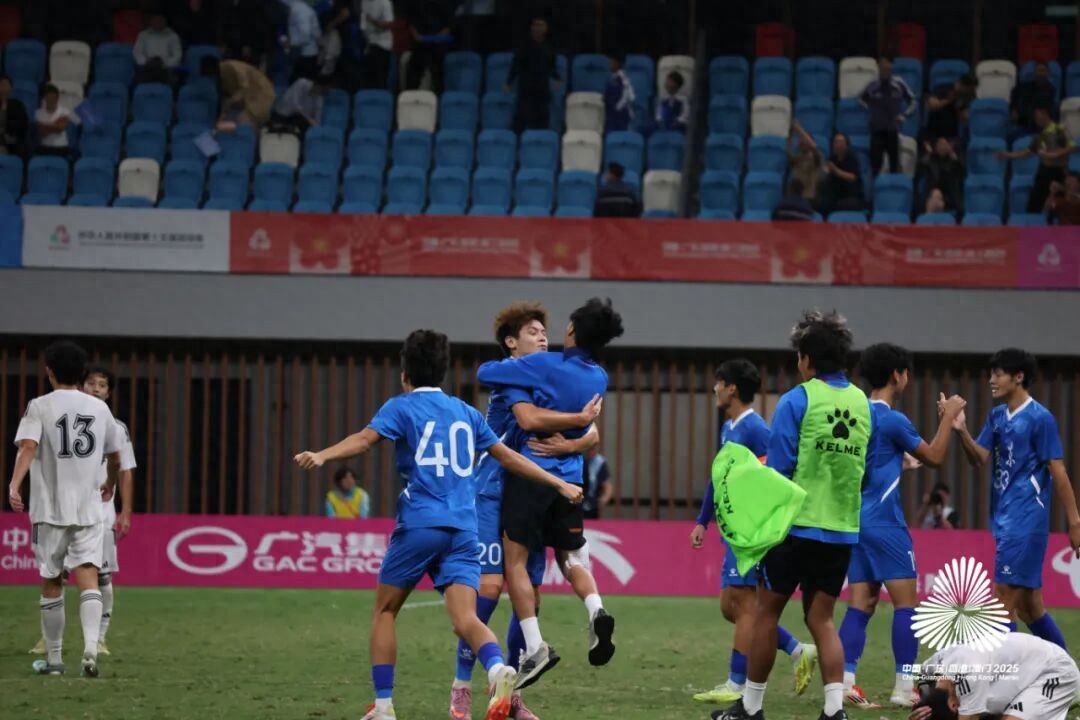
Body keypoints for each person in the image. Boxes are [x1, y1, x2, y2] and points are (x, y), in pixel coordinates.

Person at [294, 329, 584, 720]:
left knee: (385, 612)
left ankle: (383, 707)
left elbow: (364, 440)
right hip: (464, 531)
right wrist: (558, 483)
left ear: (404, 374)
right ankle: (498, 669)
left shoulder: (401, 407)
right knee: (466, 618)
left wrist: (323, 455)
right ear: (444, 372)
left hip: (421, 524)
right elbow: (509, 458)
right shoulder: (466, 412)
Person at [716, 310, 871, 720]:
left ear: (807, 360)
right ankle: (835, 710)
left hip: (795, 528)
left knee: (767, 611)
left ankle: (750, 707)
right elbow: (865, 470)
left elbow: (779, 469)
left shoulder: (797, 399)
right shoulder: (862, 404)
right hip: (841, 530)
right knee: (822, 619)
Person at [450, 301, 599, 720]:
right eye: (532, 331)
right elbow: (530, 421)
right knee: (490, 589)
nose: (542, 336)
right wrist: (578, 421)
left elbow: (593, 433)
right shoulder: (511, 379)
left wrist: (574, 439)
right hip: (489, 492)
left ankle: (510, 695)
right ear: (511, 343)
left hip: (528, 493)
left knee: (530, 597)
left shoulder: (546, 379)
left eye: (543, 330)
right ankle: (461, 686)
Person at [476, 298, 625, 689]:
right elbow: (590, 431)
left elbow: (486, 373)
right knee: (573, 556)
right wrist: (575, 436)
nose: (545, 336)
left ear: (572, 331)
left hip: (532, 477)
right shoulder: (599, 378)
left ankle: (536, 645)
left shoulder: (544, 365)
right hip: (572, 483)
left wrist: (514, 365)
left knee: (516, 563)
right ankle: (596, 611)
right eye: (535, 333)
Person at [838, 344, 965, 710]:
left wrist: (898, 463)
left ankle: (846, 681)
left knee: (860, 603)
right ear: (898, 376)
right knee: (906, 604)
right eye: (906, 373)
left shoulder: (855, 413)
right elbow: (936, 456)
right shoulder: (893, 419)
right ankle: (903, 687)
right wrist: (948, 418)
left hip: (854, 522)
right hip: (885, 523)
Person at [689, 359, 816, 706]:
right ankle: (796, 648)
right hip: (735, 531)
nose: (714, 388)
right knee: (731, 605)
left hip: (751, 532)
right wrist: (703, 520)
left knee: (744, 604)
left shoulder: (756, 429)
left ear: (731, 388)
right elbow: (720, 478)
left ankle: (737, 682)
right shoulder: (730, 428)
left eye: (718, 382)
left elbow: (776, 474)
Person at [8, 341, 126, 679]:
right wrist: (110, 483)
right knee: (88, 573)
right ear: (82, 374)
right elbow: (116, 457)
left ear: (49, 371)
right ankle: (90, 647)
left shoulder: (40, 406)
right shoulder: (100, 410)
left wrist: (15, 484)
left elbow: (28, 447)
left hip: (50, 509)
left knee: (51, 581)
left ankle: (56, 660)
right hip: (89, 508)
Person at [949, 348, 1080, 650]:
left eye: (999, 373)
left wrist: (1074, 521)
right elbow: (978, 458)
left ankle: (1000, 683)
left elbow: (1058, 472)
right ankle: (1066, 676)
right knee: (1031, 607)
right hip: (1005, 520)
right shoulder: (996, 416)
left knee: (1003, 602)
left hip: (1027, 521)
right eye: (991, 373)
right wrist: (961, 431)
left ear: (1019, 377)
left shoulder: (1040, 418)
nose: (992, 379)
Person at [29, 366, 136, 659]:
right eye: (91, 383)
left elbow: (123, 467)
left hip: (98, 509)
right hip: (61, 507)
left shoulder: (112, 424)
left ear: (109, 392)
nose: (96, 388)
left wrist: (125, 509)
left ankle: (98, 639)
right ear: (81, 384)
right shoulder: (56, 414)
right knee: (57, 575)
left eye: (102, 385)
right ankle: (49, 638)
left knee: (100, 575)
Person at [911, 633, 1080, 720]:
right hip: (1022, 670)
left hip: (1054, 670)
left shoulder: (971, 674)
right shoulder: (933, 667)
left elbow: (969, 717)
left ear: (955, 705)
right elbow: (923, 687)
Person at [996, 107, 1075, 213]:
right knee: (1034, 204)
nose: (1036, 120)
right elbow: (1025, 153)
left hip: (1060, 171)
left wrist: (1055, 155)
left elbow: (1071, 147)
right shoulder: (1039, 137)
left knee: (1060, 205)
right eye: (1035, 118)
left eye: (1038, 117)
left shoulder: (1060, 129)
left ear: (1045, 114)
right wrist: (1007, 155)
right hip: (1044, 171)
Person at [859, 57, 916, 176]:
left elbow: (913, 101)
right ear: (879, 69)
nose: (886, 71)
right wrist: (871, 111)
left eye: (888, 68)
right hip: (877, 130)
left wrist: (904, 114)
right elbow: (860, 99)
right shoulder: (872, 85)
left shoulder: (899, 83)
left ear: (891, 68)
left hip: (892, 130)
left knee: (894, 166)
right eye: (883, 68)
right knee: (875, 167)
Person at [506, 17, 560, 134]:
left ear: (546, 28)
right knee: (522, 116)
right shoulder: (524, 45)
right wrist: (509, 81)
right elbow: (516, 64)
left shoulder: (549, 46)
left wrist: (557, 78)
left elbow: (552, 65)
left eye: (541, 25)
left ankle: (540, 143)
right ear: (532, 27)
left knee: (542, 117)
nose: (538, 28)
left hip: (542, 87)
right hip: (526, 87)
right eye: (536, 25)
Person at [405, 0, 453, 94]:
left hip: (437, 45)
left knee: (438, 79)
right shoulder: (414, 3)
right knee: (412, 78)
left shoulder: (443, 4)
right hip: (419, 45)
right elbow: (410, 23)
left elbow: (448, 26)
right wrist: (417, 37)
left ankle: (439, 103)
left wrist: (434, 39)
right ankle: (410, 101)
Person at [217, 59, 276, 130]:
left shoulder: (233, 69)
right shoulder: (222, 72)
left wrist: (229, 103)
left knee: (247, 121)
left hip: (260, 93)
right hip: (246, 95)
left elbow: (244, 89)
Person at [925, 74, 976, 145]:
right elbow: (931, 105)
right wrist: (948, 100)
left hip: (952, 135)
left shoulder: (966, 96)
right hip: (934, 130)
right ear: (958, 83)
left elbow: (965, 119)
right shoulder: (943, 88)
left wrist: (959, 107)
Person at [133, 12, 183, 85]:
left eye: (160, 20)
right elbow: (137, 52)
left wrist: (163, 63)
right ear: (151, 21)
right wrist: (146, 62)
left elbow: (178, 55)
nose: (157, 22)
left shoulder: (173, 36)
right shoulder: (143, 35)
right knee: (137, 81)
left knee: (174, 80)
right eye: (155, 20)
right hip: (147, 68)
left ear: (165, 21)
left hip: (166, 69)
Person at [1010, 61, 1057, 138]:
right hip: (1024, 122)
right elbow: (1014, 93)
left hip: (1040, 125)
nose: (1040, 73)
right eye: (1038, 70)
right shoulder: (1026, 86)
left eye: (1043, 70)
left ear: (1048, 73)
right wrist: (1014, 109)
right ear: (1035, 72)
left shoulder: (1051, 90)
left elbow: (1049, 111)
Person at [917, 137, 964, 213]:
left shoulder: (953, 162)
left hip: (949, 196)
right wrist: (929, 154)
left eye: (944, 144)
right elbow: (920, 169)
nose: (942, 147)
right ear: (936, 147)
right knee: (935, 195)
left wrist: (955, 158)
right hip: (931, 193)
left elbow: (961, 174)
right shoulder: (930, 160)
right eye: (940, 144)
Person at [821, 132, 864, 214]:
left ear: (846, 144)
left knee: (845, 205)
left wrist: (836, 171)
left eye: (841, 142)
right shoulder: (832, 158)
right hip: (836, 196)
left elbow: (852, 177)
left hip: (851, 196)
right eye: (836, 142)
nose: (838, 144)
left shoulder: (851, 157)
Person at [220, 0, 272, 67]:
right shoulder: (230, 5)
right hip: (233, 46)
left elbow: (252, 24)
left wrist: (247, 44)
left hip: (250, 46)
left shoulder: (251, 5)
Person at [280, 0, 321, 81]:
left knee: (299, 84)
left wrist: (290, 42)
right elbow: (316, 33)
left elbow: (305, 35)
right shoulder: (304, 9)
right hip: (308, 52)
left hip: (304, 54)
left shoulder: (299, 10)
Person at [788, 120, 824, 208]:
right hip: (795, 197)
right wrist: (791, 133)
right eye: (801, 140)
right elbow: (788, 152)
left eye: (805, 140)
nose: (803, 142)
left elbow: (815, 148)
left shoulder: (816, 157)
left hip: (809, 198)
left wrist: (800, 130)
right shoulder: (798, 158)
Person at [359, 0, 394, 90]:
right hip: (369, 44)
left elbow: (389, 23)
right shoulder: (364, 2)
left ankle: (381, 100)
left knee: (380, 79)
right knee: (368, 79)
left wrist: (373, 21)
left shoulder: (385, 2)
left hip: (383, 44)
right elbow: (363, 21)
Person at [34, 85, 74, 159]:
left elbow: (60, 128)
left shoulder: (65, 111)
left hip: (61, 147)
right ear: (44, 98)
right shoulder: (38, 113)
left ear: (57, 98)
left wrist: (45, 125)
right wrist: (55, 125)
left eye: (53, 97)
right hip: (44, 147)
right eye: (48, 97)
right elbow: (43, 133)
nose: (51, 100)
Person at [604, 54, 635, 133]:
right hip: (610, 114)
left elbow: (631, 96)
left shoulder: (623, 78)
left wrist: (618, 107)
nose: (609, 64)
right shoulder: (610, 78)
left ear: (617, 64)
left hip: (620, 115)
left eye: (611, 62)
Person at [580, 447, 613, 519]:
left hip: (593, 504)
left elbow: (607, 485)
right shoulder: (578, 460)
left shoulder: (599, 463)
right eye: (588, 449)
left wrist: (604, 499)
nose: (590, 451)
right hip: (577, 502)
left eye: (593, 449)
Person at [0, 75, 28, 157]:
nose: (3, 88)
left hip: (10, 140)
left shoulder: (18, 105)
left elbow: (23, 125)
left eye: (6, 85)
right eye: (1, 85)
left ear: (11, 88)